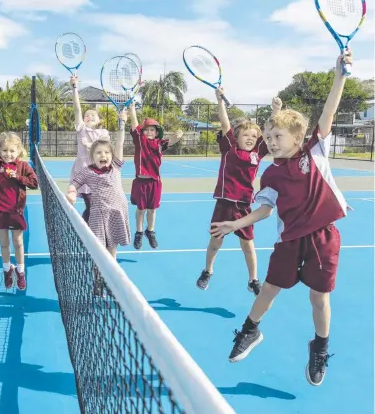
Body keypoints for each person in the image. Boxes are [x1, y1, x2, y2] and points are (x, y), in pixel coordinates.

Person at [211, 51, 353, 386]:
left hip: (323, 238)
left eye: (277, 137)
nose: (271, 142)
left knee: (319, 298)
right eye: (268, 138)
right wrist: (236, 223)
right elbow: (263, 210)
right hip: (289, 240)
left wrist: (341, 76)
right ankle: (250, 330)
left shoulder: (315, 151)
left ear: (297, 138)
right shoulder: (271, 175)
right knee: (271, 287)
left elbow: (329, 110)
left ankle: (319, 348)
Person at [197, 88, 282, 295]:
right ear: (237, 137)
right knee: (215, 242)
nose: (251, 138)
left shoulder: (258, 153)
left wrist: (276, 110)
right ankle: (208, 271)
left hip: (244, 205)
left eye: (254, 135)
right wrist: (219, 102)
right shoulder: (230, 148)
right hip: (224, 203)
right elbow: (225, 122)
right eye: (246, 134)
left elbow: (269, 130)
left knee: (248, 245)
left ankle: (253, 280)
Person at [0, 115, 38, 290]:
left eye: (12, 151)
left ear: (18, 151)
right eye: (4, 151)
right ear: (0, 150)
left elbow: (34, 183)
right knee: (4, 244)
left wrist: (18, 178)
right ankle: (6, 270)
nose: (8, 154)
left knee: (18, 242)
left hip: (15, 212)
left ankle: (20, 271)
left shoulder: (23, 166)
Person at [67, 109, 131, 260]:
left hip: (117, 212)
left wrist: (122, 123)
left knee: (112, 250)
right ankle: (98, 279)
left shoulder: (116, 165)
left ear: (111, 155)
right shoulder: (88, 171)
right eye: (99, 153)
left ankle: (109, 280)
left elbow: (120, 143)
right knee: (99, 251)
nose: (103, 155)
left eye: (107, 153)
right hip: (98, 215)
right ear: (92, 156)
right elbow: (75, 183)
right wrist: (71, 192)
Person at [128, 101, 183, 249]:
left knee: (152, 209)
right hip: (140, 182)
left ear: (157, 132)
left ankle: (150, 231)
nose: (149, 132)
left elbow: (171, 141)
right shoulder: (140, 140)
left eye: (152, 130)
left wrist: (177, 136)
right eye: (147, 130)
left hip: (155, 183)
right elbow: (134, 125)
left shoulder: (159, 143)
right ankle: (139, 232)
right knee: (140, 210)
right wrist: (132, 108)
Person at [68, 75, 109, 222]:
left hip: (99, 174)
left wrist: (90, 145)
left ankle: (89, 227)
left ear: (99, 120)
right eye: (87, 115)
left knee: (96, 207)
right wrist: (74, 88)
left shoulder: (103, 133)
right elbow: (77, 109)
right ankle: (88, 231)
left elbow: (105, 149)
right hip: (83, 171)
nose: (89, 116)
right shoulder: (81, 129)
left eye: (93, 115)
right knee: (91, 204)